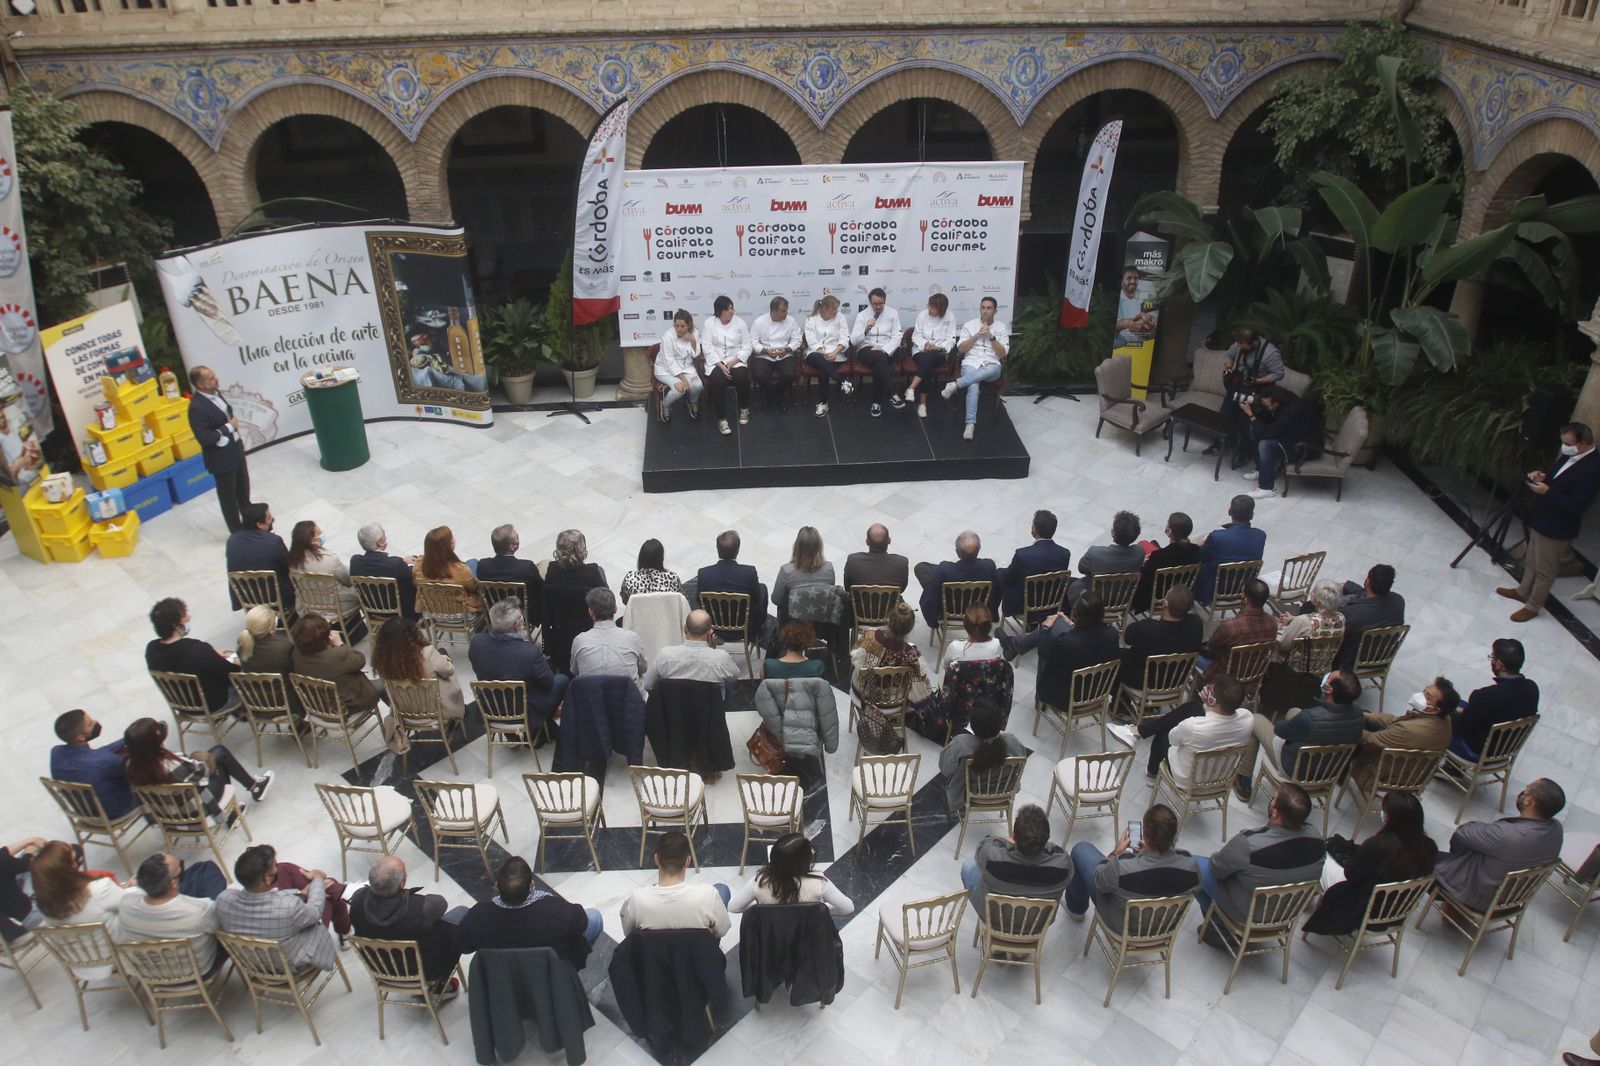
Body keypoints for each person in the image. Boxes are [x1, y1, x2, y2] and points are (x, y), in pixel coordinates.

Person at [1194, 784, 1326, 942]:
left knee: (1194, 867)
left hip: (1251, 914)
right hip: (1286, 913)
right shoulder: (1317, 839)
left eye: (1273, 799)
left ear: (1275, 812)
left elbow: (1216, 868)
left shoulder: (1250, 843)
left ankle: (1223, 930)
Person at [1497, 421, 1600, 622]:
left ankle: (1533, 606)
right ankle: (1523, 590)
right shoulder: (1570, 455)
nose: (1565, 447)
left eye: (1569, 443)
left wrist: (1548, 492)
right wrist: (1543, 478)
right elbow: (1560, 479)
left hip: (1557, 527)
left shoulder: (1593, 469)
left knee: (1545, 570)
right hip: (1542, 517)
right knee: (1533, 560)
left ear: (1583, 443)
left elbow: (1578, 506)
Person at [1304, 792, 1436, 937]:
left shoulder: (1379, 846)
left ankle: (1305, 897)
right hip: (1395, 911)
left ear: (1390, 819)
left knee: (1319, 855)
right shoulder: (1429, 847)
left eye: (1385, 811)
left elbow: (1351, 874)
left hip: (1362, 908)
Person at [1433, 778, 1565, 910]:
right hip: (1510, 900)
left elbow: (1463, 833)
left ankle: (1449, 903)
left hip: (1476, 897)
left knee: (1423, 856)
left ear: (1529, 801)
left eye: (1526, 790)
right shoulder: (1557, 829)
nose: (1522, 792)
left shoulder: (1508, 834)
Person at [1234, 669, 1365, 800]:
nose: (1327, 676)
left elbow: (1279, 730)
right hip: (1327, 771)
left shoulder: (1310, 718)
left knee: (1254, 720)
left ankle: (1243, 783)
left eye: (1329, 677)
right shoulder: (1359, 716)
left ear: (1329, 689)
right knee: (1294, 711)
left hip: (1295, 769)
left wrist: (1294, 726)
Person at [455, 855, 600, 972]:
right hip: (550, 972)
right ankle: (569, 972)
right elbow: (581, 922)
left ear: (497, 886)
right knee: (595, 917)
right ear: (532, 885)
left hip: (503, 976)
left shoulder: (478, 916)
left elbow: (465, 947)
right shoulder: (557, 910)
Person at [1063, 804, 1199, 926]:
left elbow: (1099, 880)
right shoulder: (1190, 865)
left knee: (1081, 849)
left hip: (1124, 926)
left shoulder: (1122, 866)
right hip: (1162, 927)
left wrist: (1116, 852)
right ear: (1174, 835)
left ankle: (1076, 910)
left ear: (1145, 835)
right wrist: (1143, 855)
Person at [350, 856, 462, 1002]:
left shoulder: (357, 901)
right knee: (461, 913)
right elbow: (441, 903)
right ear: (402, 883)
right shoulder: (421, 908)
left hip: (383, 969)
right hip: (424, 970)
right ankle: (440, 986)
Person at [215, 845, 337, 971]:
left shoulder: (223, 900)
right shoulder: (288, 906)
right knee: (329, 891)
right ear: (267, 879)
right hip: (292, 967)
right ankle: (344, 932)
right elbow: (315, 911)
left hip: (254, 967)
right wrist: (317, 878)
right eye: (275, 866)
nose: (278, 868)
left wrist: (300, 893)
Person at [122, 716, 273, 814]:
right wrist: (199, 758)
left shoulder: (130, 767)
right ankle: (247, 795)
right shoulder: (172, 764)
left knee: (216, 755)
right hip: (197, 810)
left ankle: (251, 791)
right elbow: (203, 772)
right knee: (218, 756)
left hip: (170, 815)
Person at [113, 852, 229, 977]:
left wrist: (132, 885)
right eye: (180, 867)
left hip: (151, 975)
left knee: (200, 869)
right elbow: (221, 929)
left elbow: (129, 892)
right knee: (205, 869)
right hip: (198, 972)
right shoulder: (200, 910)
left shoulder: (125, 904)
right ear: (174, 883)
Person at [1001, 592, 1120, 712]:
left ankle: (1014, 646)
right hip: (1098, 693)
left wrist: (1045, 628)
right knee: (1057, 623)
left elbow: (1043, 651)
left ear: (1076, 615)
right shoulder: (1113, 634)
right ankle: (1014, 645)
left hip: (1065, 698)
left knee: (1047, 642)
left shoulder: (1068, 643)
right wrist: (1073, 625)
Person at [1134, 674, 1255, 788]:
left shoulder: (1193, 726)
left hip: (1188, 779)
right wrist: (1208, 705)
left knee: (1164, 731)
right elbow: (1219, 720)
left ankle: (1152, 774)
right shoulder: (1248, 719)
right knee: (1193, 707)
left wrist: (1207, 705)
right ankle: (1142, 730)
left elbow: (1173, 739)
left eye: (1209, 690)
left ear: (1213, 700)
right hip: (1220, 777)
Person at [469, 599, 570, 727]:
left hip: (490, 707)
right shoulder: (529, 652)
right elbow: (548, 682)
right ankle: (550, 720)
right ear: (517, 625)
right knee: (562, 679)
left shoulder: (477, 642)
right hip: (524, 711)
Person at [849, 601, 933, 753]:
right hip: (895, 702)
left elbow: (855, 658)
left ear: (889, 619)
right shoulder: (912, 653)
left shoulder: (870, 635)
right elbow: (923, 683)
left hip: (865, 695)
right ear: (911, 627)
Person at [959, 803, 1072, 914]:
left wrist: (1007, 840)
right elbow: (1059, 852)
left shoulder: (990, 856)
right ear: (1046, 839)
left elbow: (985, 844)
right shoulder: (1064, 867)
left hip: (995, 919)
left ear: (1014, 836)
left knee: (969, 865)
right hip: (1035, 926)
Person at [1349, 677, 1458, 792]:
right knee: (1365, 716)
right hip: (1413, 770)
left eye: (1427, 697)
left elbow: (1370, 740)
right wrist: (1366, 715)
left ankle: (1339, 770)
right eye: (1424, 690)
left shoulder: (1410, 730)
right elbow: (1396, 720)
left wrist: (1345, 723)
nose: (1421, 695)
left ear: (1436, 710)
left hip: (1389, 774)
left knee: (1353, 732)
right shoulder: (1445, 719)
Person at [620, 831, 730, 936]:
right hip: (697, 954)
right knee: (722, 890)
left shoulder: (638, 899)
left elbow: (628, 933)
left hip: (652, 954)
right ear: (688, 861)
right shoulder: (708, 895)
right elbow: (722, 930)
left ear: (656, 859)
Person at [144, 596, 242, 714]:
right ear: (175, 624)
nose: (189, 617)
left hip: (181, 704)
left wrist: (212, 656)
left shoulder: (151, 650)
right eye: (185, 615)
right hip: (212, 704)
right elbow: (232, 673)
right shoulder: (196, 649)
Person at [1450, 638, 1539, 761]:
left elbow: (1460, 728)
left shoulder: (1486, 695)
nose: (1491, 662)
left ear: (1499, 664)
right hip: (1504, 749)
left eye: (1492, 658)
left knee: (1440, 708)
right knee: (1458, 704)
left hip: (1479, 751)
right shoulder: (1532, 688)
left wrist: (1449, 712)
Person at [187, 365, 252, 532]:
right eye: (210, 379)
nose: (215, 379)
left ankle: (250, 522)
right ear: (200, 385)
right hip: (221, 458)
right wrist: (228, 427)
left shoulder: (216, 393)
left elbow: (226, 412)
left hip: (235, 449)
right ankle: (236, 531)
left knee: (243, 489)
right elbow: (205, 438)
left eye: (214, 376)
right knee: (228, 496)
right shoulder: (196, 408)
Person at [1209, 327, 1284, 465]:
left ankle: (1244, 454)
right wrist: (1229, 365)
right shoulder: (1239, 344)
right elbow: (1229, 355)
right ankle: (1219, 445)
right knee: (1224, 414)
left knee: (1246, 422)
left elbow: (1279, 373)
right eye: (1238, 344)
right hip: (1238, 385)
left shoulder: (1270, 353)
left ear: (1253, 343)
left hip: (1258, 390)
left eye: (1243, 345)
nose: (1239, 347)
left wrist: (1259, 380)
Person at [939, 699, 1028, 815]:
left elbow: (945, 769)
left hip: (969, 794)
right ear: (1000, 724)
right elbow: (1018, 770)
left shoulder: (961, 744)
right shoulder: (1014, 743)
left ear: (973, 726)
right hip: (1003, 791)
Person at [729, 833, 853, 915]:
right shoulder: (819, 884)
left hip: (772, 939)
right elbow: (848, 908)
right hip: (808, 940)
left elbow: (733, 907)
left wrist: (761, 908)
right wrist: (818, 909)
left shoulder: (759, 882)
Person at [372, 616, 466, 723]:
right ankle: (459, 710)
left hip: (405, 715)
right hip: (438, 712)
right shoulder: (427, 653)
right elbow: (449, 671)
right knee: (443, 657)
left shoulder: (382, 661)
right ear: (412, 634)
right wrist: (442, 659)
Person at [50, 709, 137, 819]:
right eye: (90, 724)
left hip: (85, 812)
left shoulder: (56, 752)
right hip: (114, 811)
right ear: (80, 737)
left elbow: (98, 754)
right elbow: (133, 771)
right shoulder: (103, 761)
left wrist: (126, 739)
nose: (96, 722)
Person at [290, 611, 381, 715]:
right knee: (382, 685)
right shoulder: (337, 655)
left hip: (319, 708)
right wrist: (340, 644)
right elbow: (360, 660)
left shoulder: (295, 655)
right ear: (326, 636)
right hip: (348, 707)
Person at [1239, 385, 1321, 500]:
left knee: (1265, 444)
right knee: (1255, 428)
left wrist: (1251, 414)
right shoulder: (1284, 399)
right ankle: (1261, 469)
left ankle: (1267, 488)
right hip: (1291, 434)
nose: (1265, 407)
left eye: (1266, 405)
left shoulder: (1292, 411)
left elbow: (1268, 433)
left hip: (1304, 446)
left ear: (1276, 402)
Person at [944, 296, 1009, 439]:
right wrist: (976, 336)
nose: (985, 311)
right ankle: (970, 424)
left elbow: (1003, 353)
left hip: (992, 365)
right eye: (983, 308)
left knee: (990, 369)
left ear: (995, 311)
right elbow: (961, 349)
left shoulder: (1002, 327)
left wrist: (991, 337)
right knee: (973, 385)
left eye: (989, 308)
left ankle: (956, 384)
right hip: (971, 363)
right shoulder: (969, 325)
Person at [994, 509, 1073, 621]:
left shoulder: (1023, 555)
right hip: (1051, 603)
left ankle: (992, 612)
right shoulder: (1064, 554)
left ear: (1035, 530)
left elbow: (1008, 577)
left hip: (1025, 607)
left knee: (999, 573)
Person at [1119, 584, 1203, 689]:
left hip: (1146, 682)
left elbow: (1127, 639)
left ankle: (1121, 701)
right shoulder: (1196, 624)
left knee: (1116, 656)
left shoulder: (1145, 629)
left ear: (1165, 603)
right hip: (1177, 680)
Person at [695, 529, 772, 641]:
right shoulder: (749, 573)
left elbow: (699, 600)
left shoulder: (704, 574)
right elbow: (756, 598)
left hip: (714, 626)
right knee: (762, 588)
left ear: (717, 548)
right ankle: (758, 629)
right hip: (743, 627)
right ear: (738, 550)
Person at [32, 840, 126, 928]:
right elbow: (132, 904)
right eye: (73, 860)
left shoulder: (44, 906)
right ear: (70, 868)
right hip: (118, 939)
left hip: (82, 944)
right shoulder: (99, 888)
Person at [640, 609, 740, 692]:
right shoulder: (721, 658)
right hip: (710, 713)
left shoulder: (665, 655)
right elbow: (735, 676)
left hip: (673, 713)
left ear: (685, 628)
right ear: (710, 632)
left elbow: (648, 685)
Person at [915, 530, 998, 629]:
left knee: (927, 574)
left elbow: (929, 596)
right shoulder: (989, 566)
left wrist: (932, 620)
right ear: (979, 549)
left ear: (957, 552)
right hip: (976, 607)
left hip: (949, 610)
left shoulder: (944, 569)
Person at [224, 502, 295, 615]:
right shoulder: (273, 542)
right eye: (269, 518)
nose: (272, 520)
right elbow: (289, 566)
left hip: (247, 597)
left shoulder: (232, 540)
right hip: (276, 598)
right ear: (259, 525)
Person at [1195, 495, 1266, 606]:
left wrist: (1202, 545)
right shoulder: (1261, 535)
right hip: (1243, 588)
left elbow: (1200, 557)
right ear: (1252, 515)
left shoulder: (1217, 537)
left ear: (1229, 511)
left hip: (1214, 590)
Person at [1198, 577, 1276, 679]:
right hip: (1253, 673)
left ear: (1246, 600)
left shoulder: (1229, 627)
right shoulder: (1272, 623)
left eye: (1242, 593)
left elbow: (1212, 645)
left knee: (1189, 653)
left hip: (1225, 675)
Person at [1333, 563, 1405, 670]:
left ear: (1367, 582)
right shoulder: (1398, 601)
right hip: (1381, 656)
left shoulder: (1351, 614)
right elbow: (1367, 595)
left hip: (1350, 660)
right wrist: (1348, 586)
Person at [286, 519, 358, 621]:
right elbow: (347, 580)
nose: (322, 535)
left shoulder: (292, 561)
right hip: (338, 606)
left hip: (309, 606)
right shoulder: (330, 560)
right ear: (311, 540)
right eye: (319, 534)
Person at [702, 295, 754, 435]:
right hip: (716, 362)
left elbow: (747, 346)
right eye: (728, 309)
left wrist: (733, 362)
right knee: (718, 381)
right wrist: (720, 364)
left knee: (741, 377)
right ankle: (722, 419)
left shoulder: (740, 323)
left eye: (732, 308)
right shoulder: (709, 323)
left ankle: (744, 408)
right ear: (720, 311)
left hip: (736, 360)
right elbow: (707, 347)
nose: (732, 311)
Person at [1068, 510, 1145, 605]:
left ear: (1113, 532)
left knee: (1073, 585)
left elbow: (1081, 568)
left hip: (1094, 601)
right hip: (1121, 599)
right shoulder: (1140, 553)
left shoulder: (1095, 553)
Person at [1132, 511, 1202, 615]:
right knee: (1150, 544)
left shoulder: (1159, 557)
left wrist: (1143, 564)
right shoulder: (1196, 551)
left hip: (1157, 595)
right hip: (1181, 592)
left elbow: (1144, 577)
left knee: (1143, 544)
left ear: (1169, 531)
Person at [569, 587, 647, 679]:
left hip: (592, 692)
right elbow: (643, 668)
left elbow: (575, 671)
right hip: (627, 692)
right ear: (615, 609)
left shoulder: (580, 641)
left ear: (590, 611)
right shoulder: (632, 638)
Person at [476, 524, 545, 626]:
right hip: (522, 614)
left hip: (495, 610)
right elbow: (541, 589)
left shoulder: (483, 566)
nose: (518, 539)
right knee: (544, 566)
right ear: (512, 547)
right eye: (517, 537)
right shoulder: (527, 567)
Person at [850, 287, 903, 417]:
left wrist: (884, 349)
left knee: (878, 365)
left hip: (887, 349)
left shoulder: (893, 313)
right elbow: (853, 341)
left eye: (881, 303)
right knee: (880, 359)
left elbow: (897, 336)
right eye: (875, 304)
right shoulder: (862, 315)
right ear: (870, 302)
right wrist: (865, 330)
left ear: (885, 301)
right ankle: (891, 392)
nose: (878, 306)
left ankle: (876, 403)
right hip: (866, 349)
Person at [904, 292, 959, 417]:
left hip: (938, 353)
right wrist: (925, 345)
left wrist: (938, 347)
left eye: (933, 308)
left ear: (941, 310)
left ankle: (912, 388)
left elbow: (951, 339)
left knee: (927, 361)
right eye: (929, 305)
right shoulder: (922, 315)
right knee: (926, 363)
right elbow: (916, 336)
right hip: (920, 351)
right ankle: (922, 403)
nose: (929, 309)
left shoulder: (950, 317)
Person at [350, 522, 419, 620]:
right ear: (380, 542)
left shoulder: (355, 562)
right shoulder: (396, 564)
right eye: (384, 534)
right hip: (403, 614)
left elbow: (379, 567)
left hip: (372, 611)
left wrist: (402, 561)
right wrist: (409, 565)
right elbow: (411, 580)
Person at [803, 294, 854, 417]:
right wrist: (824, 353)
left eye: (837, 308)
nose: (837, 311)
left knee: (823, 370)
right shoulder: (811, 320)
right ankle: (842, 381)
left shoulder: (840, 318)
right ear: (824, 309)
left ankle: (823, 403)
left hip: (836, 355)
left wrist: (835, 352)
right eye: (834, 309)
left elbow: (845, 338)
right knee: (818, 359)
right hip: (816, 354)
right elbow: (811, 342)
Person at [414, 525, 483, 615]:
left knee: (471, 562)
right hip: (461, 614)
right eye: (452, 538)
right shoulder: (460, 570)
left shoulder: (419, 564)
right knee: (473, 563)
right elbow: (474, 588)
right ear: (449, 545)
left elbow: (415, 583)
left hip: (432, 613)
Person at [772, 525, 834, 623]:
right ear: (819, 546)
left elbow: (776, 600)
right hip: (820, 623)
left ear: (797, 547)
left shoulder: (787, 571)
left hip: (793, 626)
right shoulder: (828, 568)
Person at [1274, 579, 1345, 664]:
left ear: (1318, 601)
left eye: (1314, 591)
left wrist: (1277, 628)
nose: (1311, 593)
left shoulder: (1304, 621)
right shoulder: (1341, 618)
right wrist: (1294, 619)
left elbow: (1283, 646)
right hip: (1321, 665)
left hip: (1296, 668)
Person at [751, 296, 802, 411]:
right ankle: (777, 398)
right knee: (760, 375)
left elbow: (797, 340)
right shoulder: (759, 322)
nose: (786, 313)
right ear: (773, 311)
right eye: (783, 311)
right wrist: (765, 350)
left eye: (786, 310)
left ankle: (774, 394)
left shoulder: (791, 321)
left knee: (789, 375)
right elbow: (753, 342)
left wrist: (787, 349)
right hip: (765, 354)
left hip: (784, 353)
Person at [654, 309, 703, 424]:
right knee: (680, 389)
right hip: (665, 370)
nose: (679, 329)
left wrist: (693, 341)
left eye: (682, 326)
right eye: (677, 326)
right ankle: (665, 405)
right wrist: (684, 380)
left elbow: (696, 355)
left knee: (698, 386)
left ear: (689, 325)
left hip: (686, 367)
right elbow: (669, 362)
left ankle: (692, 401)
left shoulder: (694, 332)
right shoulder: (668, 337)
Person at [843, 522, 909, 595]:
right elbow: (902, 589)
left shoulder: (853, 560)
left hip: (859, 605)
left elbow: (847, 587)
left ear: (867, 542)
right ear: (889, 541)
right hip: (891, 606)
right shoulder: (901, 562)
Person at [938, 603, 1004, 675]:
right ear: (989, 625)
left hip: (961, 685)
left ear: (965, 625)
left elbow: (945, 666)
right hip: (987, 685)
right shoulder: (996, 644)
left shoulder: (955, 647)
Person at [1, 836, 45, 940]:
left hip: (13, 922)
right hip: (32, 916)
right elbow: (26, 864)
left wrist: (30, 841)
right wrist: (29, 851)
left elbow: (4, 855)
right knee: (39, 857)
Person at [237, 604, 294, 677]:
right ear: (271, 629)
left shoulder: (242, 643)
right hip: (283, 686)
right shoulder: (284, 645)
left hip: (254, 686)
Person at [620, 538, 682, 604]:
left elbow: (625, 601)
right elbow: (681, 600)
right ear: (661, 558)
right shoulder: (672, 578)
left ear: (641, 557)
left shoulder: (630, 578)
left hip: (639, 614)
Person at [1114, 267, 1155, 346]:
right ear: (1123, 279)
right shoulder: (1117, 297)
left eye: (1135, 278)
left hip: (1142, 343)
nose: (1133, 281)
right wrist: (1128, 323)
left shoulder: (1145, 297)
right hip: (1121, 341)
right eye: (1129, 278)